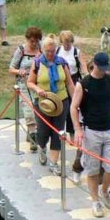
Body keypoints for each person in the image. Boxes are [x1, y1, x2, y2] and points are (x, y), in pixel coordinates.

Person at [71, 52, 110, 217]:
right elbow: (74, 107)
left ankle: (105, 190)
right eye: (103, 68)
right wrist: (78, 129)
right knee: (92, 169)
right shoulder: (84, 84)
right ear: (96, 66)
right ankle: (95, 201)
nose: (106, 71)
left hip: (109, 129)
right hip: (91, 130)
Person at [28, 35, 75, 172]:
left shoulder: (61, 62)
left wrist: (75, 103)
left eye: (52, 51)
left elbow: (69, 83)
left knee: (58, 131)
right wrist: (38, 89)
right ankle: (42, 147)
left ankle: (54, 163)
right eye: (47, 51)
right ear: (42, 50)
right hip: (43, 102)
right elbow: (30, 82)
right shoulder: (37, 63)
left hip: (61, 101)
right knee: (43, 131)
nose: (50, 54)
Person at [8, 27, 42, 152]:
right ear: (28, 39)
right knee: (28, 109)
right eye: (32, 41)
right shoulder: (21, 50)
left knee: (38, 108)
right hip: (23, 83)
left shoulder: (41, 49)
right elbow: (11, 68)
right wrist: (19, 71)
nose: (34, 44)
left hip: (38, 84)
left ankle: (31, 131)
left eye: (36, 41)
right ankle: (33, 135)